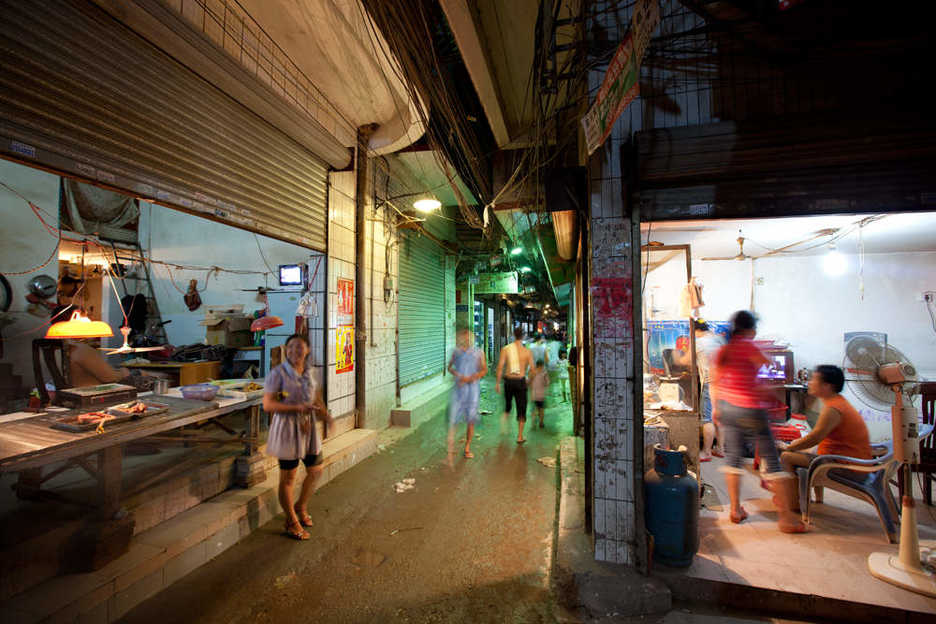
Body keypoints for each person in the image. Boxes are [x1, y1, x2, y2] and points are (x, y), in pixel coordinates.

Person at [712, 311, 806, 533]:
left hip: (728, 408)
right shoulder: (750, 347)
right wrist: (764, 395)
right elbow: (767, 371)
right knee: (773, 461)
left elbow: (715, 382)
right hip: (752, 408)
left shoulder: (724, 350)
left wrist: (716, 408)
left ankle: (735, 510)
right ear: (751, 330)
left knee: (733, 459)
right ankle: (787, 519)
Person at [262, 334, 333, 540]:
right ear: (286, 349)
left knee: (316, 470)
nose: (295, 351)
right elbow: (268, 405)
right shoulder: (277, 374)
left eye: (299, 347)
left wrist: (326, 416)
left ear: (308, 350)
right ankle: (291, 521)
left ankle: (301, 506)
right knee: (289, 477)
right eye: (291, 347)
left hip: (308, 429)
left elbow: (317, 398)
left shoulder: (311, 373)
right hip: (286, 430)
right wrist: (296, 408)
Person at [779, 365, 872, 510]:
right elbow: (817, 437)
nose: (809, 382)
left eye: (814, 380)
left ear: (827, 386)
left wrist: (789, 446)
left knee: (786, 456)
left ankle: (793, 505)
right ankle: (812, 498)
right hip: (848, 458)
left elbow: (815, 437)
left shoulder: (833, 409)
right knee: (806, 449)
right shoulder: (838, 402)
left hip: (847, 466)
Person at [447, 328, 487, 459]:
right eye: (464, 337)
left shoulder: (479, 352)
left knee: (471, 420)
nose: (467, 339)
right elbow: (449, 368)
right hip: (458, 390)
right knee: (454, 419)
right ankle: (450, 449)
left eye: (470, 337)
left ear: (473, 338)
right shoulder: (456, 352)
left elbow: (484, 370)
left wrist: (471, 378)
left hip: (472, 390)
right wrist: (459, 375)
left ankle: (467, 447)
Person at [496, 326, 534, 443]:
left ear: (513, 335)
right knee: (521, 408)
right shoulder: (527, 351)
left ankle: (504, 425)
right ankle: (520, 436)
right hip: (520, 381)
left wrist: (497, 383)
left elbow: (500, 367)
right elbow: (532, 369)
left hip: (508, 381)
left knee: (508, 405)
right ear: (523, 336)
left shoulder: (506, 349)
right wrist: (529, 380)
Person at [694, 320, 725, 461]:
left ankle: (706, 452)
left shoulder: (699, 342)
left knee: (707, 419)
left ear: (696, 331)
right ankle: (720, 448)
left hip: (710, 382)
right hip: (725, 383)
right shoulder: (718, 339)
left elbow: (684, 361)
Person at [530, 359, 550, 429]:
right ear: (542, 365)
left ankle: (533, 423)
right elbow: (547, 383)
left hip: (534, 395)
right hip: (541, 395)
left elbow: (529, 382)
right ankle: (541, 423)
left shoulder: (533, 372)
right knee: (541, 409)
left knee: (534, 409)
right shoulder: (544, 373)